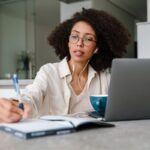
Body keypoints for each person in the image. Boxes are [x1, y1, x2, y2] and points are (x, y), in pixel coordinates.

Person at [0, 8, 130, 123]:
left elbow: (121, 108)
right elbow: (31, 95)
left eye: (88, 39)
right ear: (67, 41)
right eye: (74, 36)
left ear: (96, 48)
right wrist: (16, 105)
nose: (79, 43)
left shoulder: (105, 79)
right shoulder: (49, 72)